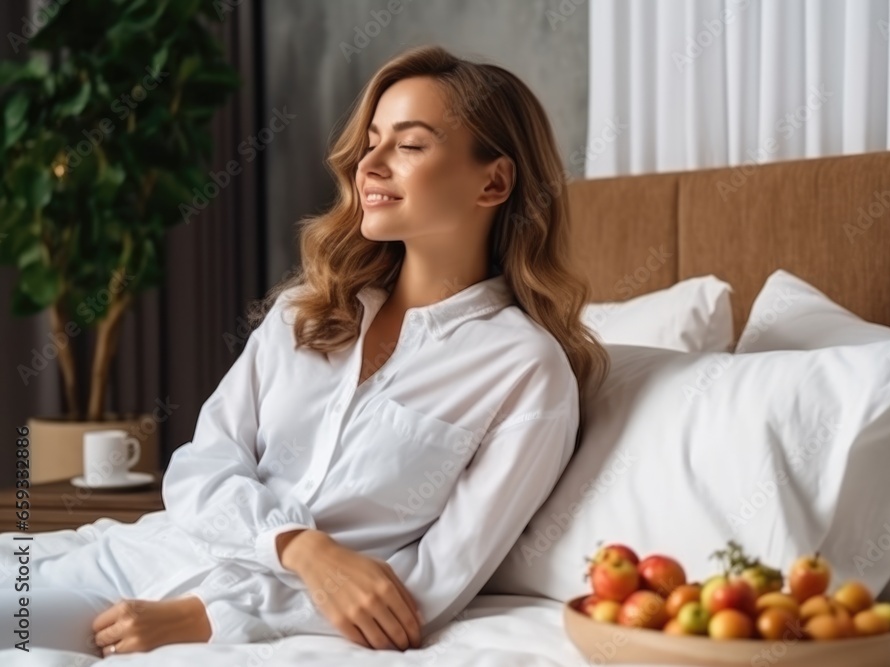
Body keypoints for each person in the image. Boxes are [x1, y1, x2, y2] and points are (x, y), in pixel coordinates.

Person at [0, 44, 609, 659]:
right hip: (137, 555)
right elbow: (201, 467)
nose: (368, 163)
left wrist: (213, 619)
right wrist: (300, 546)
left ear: (494, 181)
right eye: (371, 140)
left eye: (409, 144)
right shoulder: (304, 313)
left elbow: (429, 585)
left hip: (200, 610)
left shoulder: (524, 372)